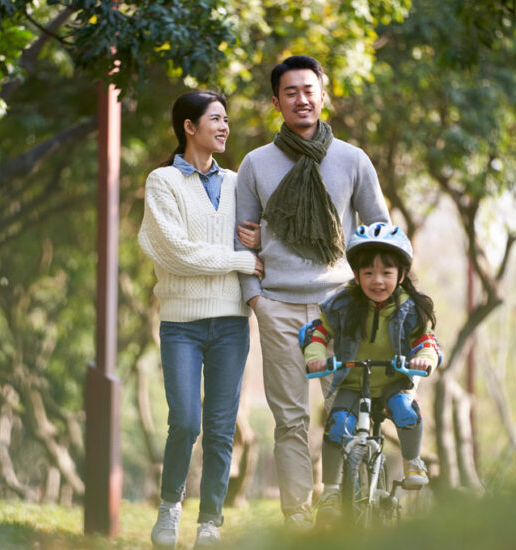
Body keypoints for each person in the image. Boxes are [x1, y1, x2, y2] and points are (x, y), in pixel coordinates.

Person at [235, 55, 391, 529]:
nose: (301, 99)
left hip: (339, 305)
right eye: (290, 92)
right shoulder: (256, 163)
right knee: (290, 419)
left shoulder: (353, 159)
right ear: (276, 102)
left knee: (343, 410)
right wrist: (254, 298)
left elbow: (379, 230)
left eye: (309, 90)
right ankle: (298, 517)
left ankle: (339, 501)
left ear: (324, 95)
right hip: (277, 304)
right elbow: (239, 241)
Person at [138, 90, 263, 549]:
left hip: (231, 322)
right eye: (216, 119)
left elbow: (257, 237)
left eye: (226, 119)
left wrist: (257, 242)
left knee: (220, 427)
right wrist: (240, 261)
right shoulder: (163, 182)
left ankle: (210, 522)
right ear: (189, 127)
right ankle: (170, 509)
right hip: (181, 324)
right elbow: (174, 253)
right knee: (186, 421)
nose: (225, 127)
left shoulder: (237, 182)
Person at [301, 222, 442, 524]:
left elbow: (427, 342)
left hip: (393, 383)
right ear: (356, 275)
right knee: (337, 424)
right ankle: (331, 489)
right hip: (353, 383)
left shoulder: (410, 310)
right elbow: (316, 333)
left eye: (386, 273)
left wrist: (424, 359)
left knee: (406, 409)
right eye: (368, 273)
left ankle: (412, 461)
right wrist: (314, 356)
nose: (377, 281)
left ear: (401, 275)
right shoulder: (342, 304)